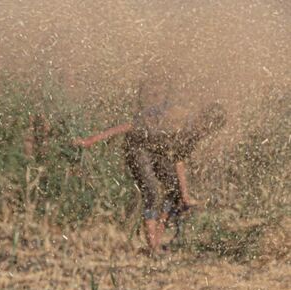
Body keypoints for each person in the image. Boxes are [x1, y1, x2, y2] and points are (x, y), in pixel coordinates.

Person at [74, 79, 226, 254]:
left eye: (209, 131)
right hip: (138, 146)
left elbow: (178, 160)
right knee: (152, 191)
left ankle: (156, 241)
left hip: (156, 150)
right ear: (202, 117)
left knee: (173, 189)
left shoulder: (193, 135)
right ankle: (153, 247)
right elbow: (129, 126)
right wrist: (91, 140)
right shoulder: (177, 117)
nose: (204, 131)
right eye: (205, 126)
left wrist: (184, 195)